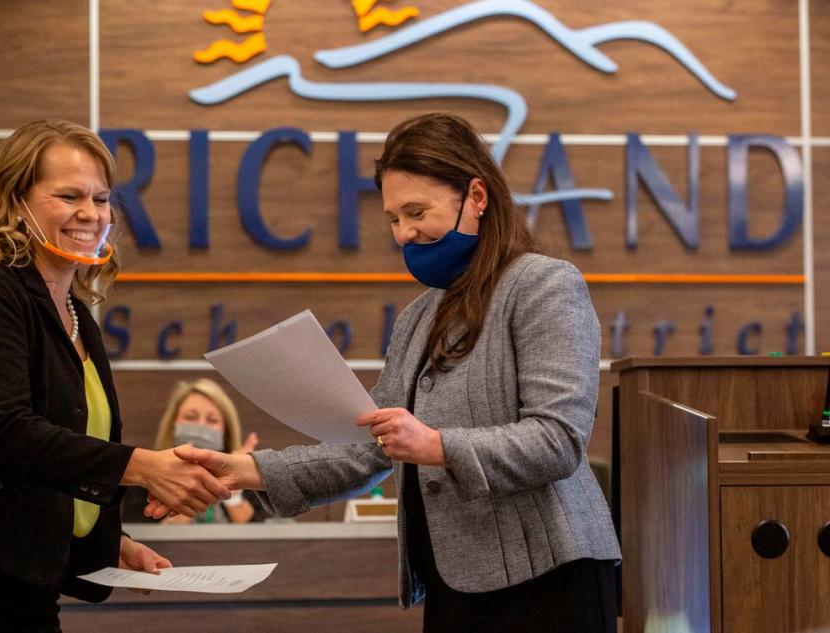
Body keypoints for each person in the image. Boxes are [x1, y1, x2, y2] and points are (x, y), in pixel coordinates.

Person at [153, 112, 622, 632]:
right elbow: (373, 445)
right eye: (394, 219)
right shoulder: (420, 314)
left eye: (417, 212)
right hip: (455, 580)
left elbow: (557, 440)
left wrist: (437, 445)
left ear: (477, 197)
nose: (405, 233)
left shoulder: (546, 285)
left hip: (548, 582)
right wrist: (250, 471)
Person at [0, 119, 230, 633]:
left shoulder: (79, 315)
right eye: (68, 195)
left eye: (102, 198)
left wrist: (112, 544)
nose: (90, 213)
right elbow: (9, 434)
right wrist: (143, 466)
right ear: (16, 202)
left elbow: (57, 461)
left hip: (25, 590)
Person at [153, 378, 260, 524]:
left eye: (212, 420)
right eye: (191, 417)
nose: (201, 427)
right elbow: (143, 538)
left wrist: (232, 495)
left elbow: (263, 540)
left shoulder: (250, 483)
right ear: (173, 425)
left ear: (225, 433)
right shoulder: (149, 478)